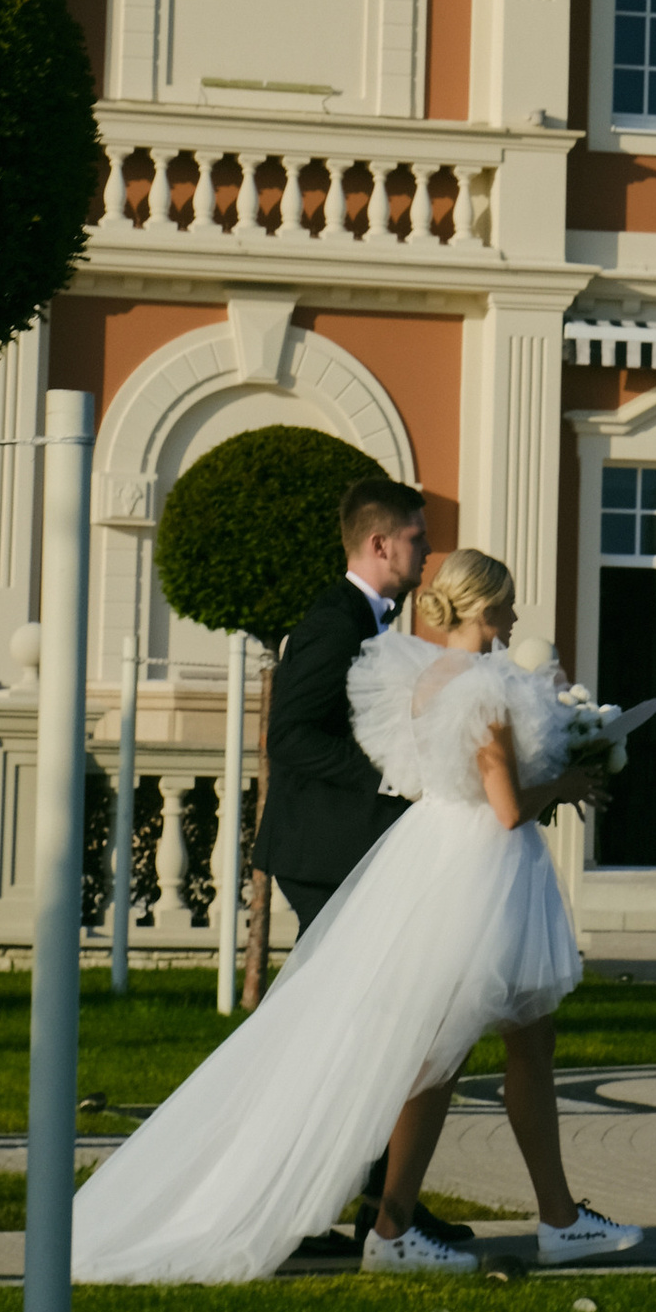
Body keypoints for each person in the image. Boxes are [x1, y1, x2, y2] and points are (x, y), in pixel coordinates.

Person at [69, 550, 641, 1284]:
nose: (515, 618)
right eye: (507, 606)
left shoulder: (425, 678)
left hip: (435, 858)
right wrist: (566, 780)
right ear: (481, 608)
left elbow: (448, 781)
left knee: (503, 1046)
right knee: (452, 1054)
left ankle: (542, 1220)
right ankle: (415, 1227)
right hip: (480, 874)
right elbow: (504, 810)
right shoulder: (487, 687)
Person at [252, 474, 429, 1260]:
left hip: (353, 849)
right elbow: (290, 736)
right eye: (418, 538)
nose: (426, 550)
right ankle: (296, 1214)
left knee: (377, 1031)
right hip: (324, 855)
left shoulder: (375, 619)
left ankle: (382, 1211)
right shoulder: (334, 620)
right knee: (345, 1033)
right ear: (380, 543)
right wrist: (389, 775)